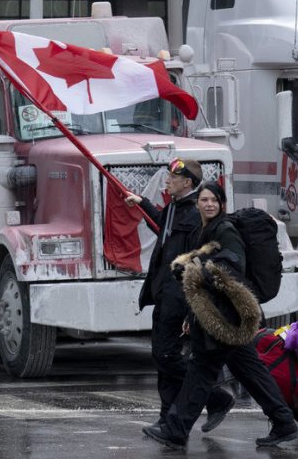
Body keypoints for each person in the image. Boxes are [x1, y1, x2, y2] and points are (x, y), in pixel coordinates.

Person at [142, 180, 298, 449]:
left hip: (226, 316)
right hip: (221, 316)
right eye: (205, 200)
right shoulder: (201, 232)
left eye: (214, 200)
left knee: (201, 370)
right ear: (198, 203)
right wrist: (190, 314)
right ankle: (284, 422)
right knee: (250, 371)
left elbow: (234, 264)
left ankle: (177, 430)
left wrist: (199, 271)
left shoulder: (225, 230)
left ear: (221, 204)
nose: (210, 204)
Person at [125, 158, 236, 434]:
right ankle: (167, 417)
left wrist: (191, 307)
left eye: (172, 178)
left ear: (187, 182)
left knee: (166, 355)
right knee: (162, 357)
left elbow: (195, 263)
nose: (167, 181)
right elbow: (162, 225)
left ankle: (215, 397)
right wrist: (141, 202)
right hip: (163, 293)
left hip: (178, 296)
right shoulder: (174, 208)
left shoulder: (192, 214)